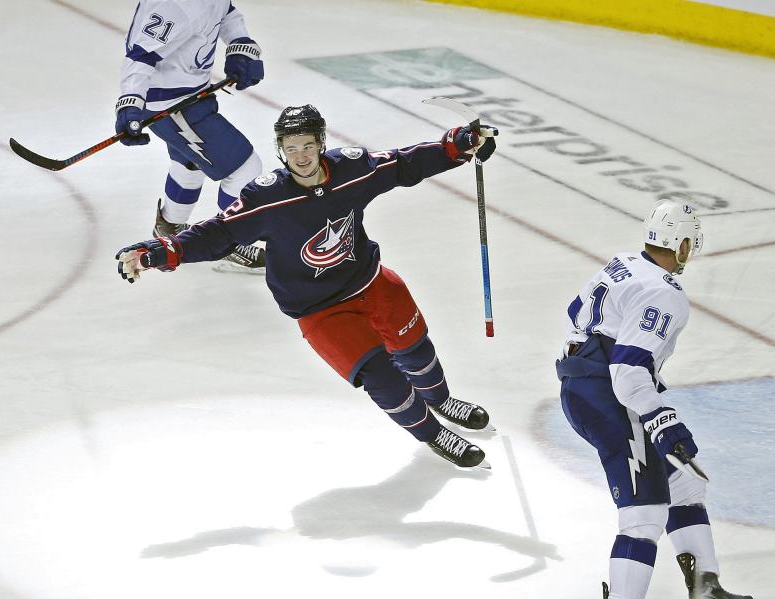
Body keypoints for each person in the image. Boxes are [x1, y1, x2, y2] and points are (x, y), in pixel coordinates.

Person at [115, 104, 499, 468]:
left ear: (321, 144)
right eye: (291, 147)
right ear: (281, 150)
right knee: (381, 377)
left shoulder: (352, 169)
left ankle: (442, 400)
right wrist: (158, 252)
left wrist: (457, 145)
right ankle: (435, 434)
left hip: (368, 279)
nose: (300, 155)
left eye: (308, 145)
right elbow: (218, 234)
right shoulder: (265, 197)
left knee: (414, 347)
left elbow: (402, 165)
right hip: (318, 308)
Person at [556, 200, 755, 599]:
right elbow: (628, 373)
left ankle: (708, 594)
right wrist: (664, 421)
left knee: (687, 483)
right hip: (608, 397)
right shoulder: (665, 294)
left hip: (583, 384)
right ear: (683, 244)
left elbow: (575, 313)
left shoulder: (623, 263)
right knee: (644, 512)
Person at [116, 0, 267, 272]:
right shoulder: (173, 5)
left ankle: (169, 229)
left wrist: (240, 45)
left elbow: (225, 11)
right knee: (245, 168)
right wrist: (130, 104)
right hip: (171, 106)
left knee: (190, 163)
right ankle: (228, 243)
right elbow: (141, 56)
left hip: (192, 95)